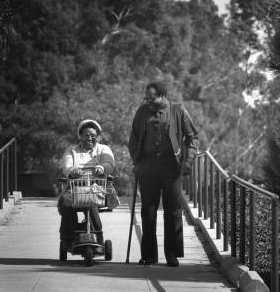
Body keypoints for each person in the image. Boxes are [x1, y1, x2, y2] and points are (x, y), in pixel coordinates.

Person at [128, 81, 199, 267]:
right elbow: (134, 138)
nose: (149, 101)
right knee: (148, 212)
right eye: (147, 98)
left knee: (173, 211)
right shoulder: (142, 112)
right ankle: (149, 256)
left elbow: (192, 138)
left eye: (153, 98)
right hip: (148, 166)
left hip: (171, 166)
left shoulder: (178, 110)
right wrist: (137, 161)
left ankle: (172, 255)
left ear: (163, 96)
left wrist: (188, 162)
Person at [58, 119, 116, 249]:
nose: (90, 138)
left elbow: (110, 163)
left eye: (93, 136)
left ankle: (98, 237)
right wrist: (73, 170)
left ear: (97, 136)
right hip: (76, 187)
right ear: (81, 136)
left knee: (91, 200)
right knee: (66, 201)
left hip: (97, 187)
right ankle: (68, 237)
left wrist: (102, 167)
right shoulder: (72, 150)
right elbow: (66, 165)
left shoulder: (103, 149)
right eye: (86, 135)